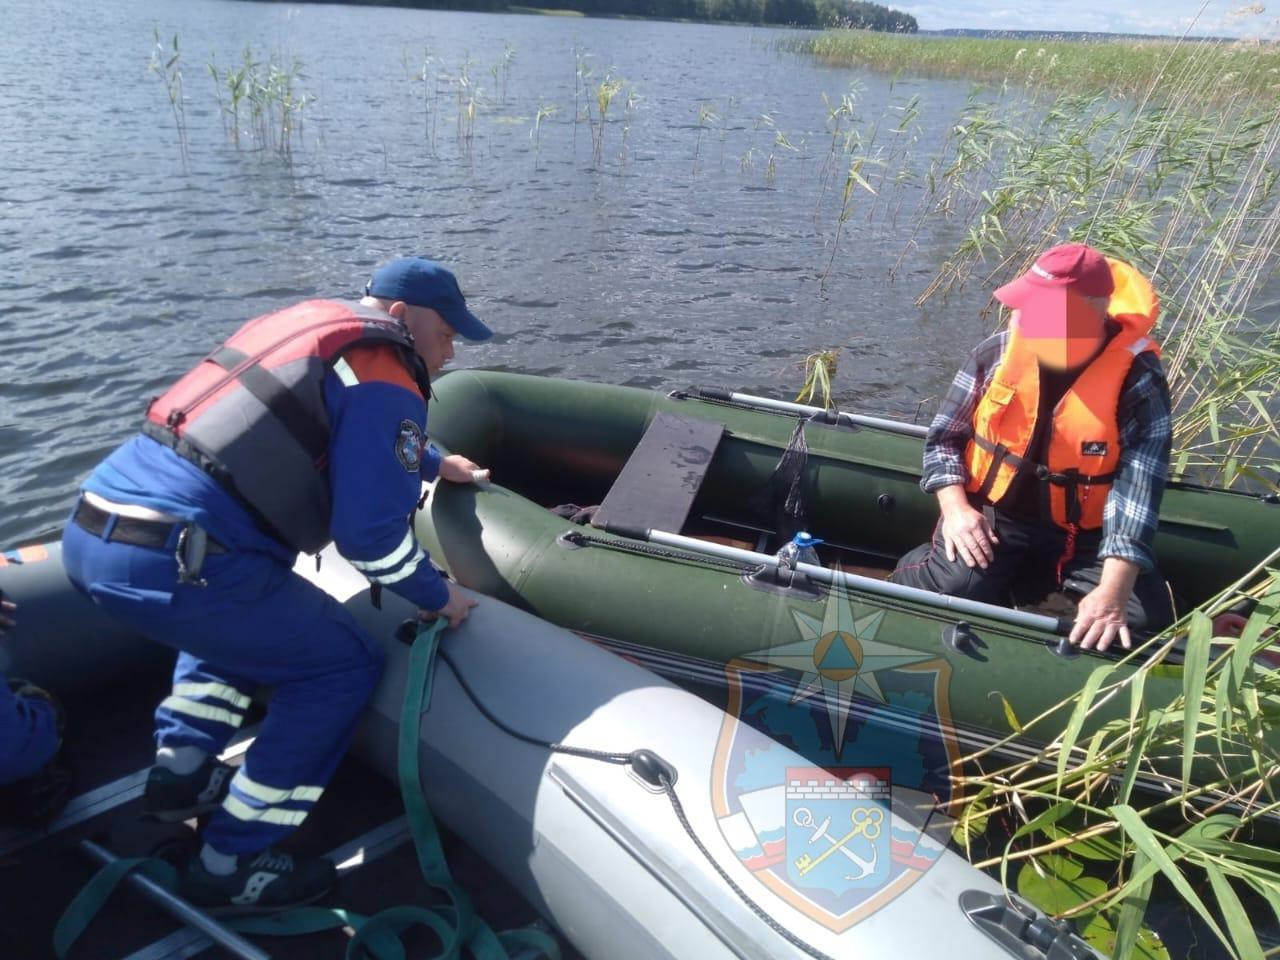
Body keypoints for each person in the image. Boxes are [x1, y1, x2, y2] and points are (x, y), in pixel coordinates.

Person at [62, 257, 490, 913]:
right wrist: (440, 595)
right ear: (401, 317)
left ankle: (180, 777)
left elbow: (299, 414)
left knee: (234, 621)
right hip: (184, 557)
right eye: (448, 331)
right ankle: (231, 863)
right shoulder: (389, 371)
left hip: (95, 530)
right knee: (341, 665)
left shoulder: (304, 325)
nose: (451, 346)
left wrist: (436, 461)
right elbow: (368, 537)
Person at [892, 242, 1176, 653]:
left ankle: (1026, 601)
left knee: (1141, 619)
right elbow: (944, 441)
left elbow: (1137, 495)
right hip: (996, 517)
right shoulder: (997, 352)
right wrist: (956, 511)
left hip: (1086, 538)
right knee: (959, 586)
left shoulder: (1139, 379)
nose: (1021, 317)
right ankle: (911, 572)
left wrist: (1112, 591)